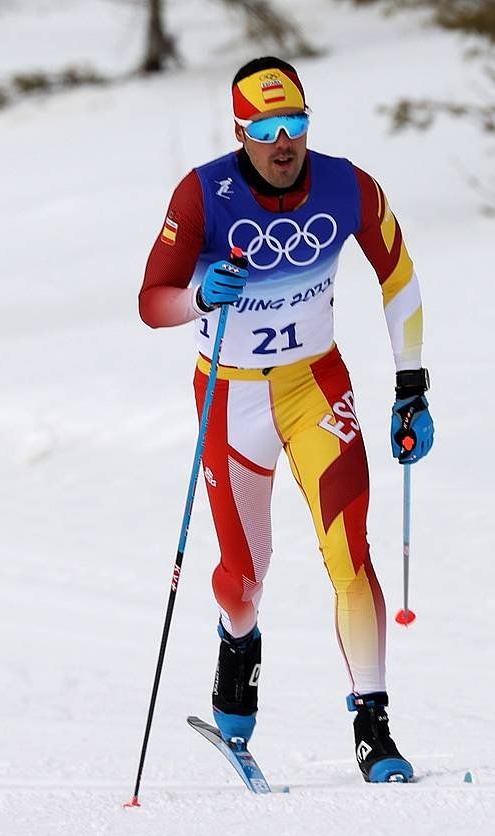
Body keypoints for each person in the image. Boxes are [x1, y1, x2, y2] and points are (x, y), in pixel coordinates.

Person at [138, 57, 433, 783]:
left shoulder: (346, 184)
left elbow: (397, 273)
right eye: (267, 128)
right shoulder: (203, 193)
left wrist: (411, 384)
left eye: (295, 124)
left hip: (313, 387)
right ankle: (237, 652)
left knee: (349, 553)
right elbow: (153, 301)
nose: (284, 142)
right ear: (242, 132)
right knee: (245, 574)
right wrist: (201, 292)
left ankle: (374, 727)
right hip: (231, 399)